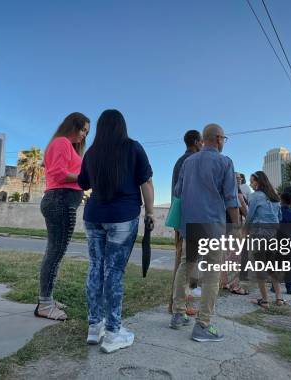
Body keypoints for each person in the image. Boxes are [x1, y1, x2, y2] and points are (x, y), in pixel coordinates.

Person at [78, 109, 154, 353]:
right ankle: (112, 332)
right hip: (123, 216)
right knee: (114, 272)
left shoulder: (92, 152)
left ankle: (94, 326)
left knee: (95, 268)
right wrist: (150, 212)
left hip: (94, 216)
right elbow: (146, 182)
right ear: (122, 126)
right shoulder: (133, 148)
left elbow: (83, 183)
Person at [170, 123, 240, 342]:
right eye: (224, 139)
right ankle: (203, 325)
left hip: (190, 225)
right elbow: (231, 198)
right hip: (212, 226)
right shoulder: (224, 162)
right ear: (218, 138)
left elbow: (177, 192)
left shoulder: (188, 162)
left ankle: (178, 314)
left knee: (186, 266)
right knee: (211, 275)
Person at [35, 112, 90, 321]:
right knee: (55, 253)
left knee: (55, 252)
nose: (84, 135)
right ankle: (45, 304)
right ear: (72, 126)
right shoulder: (61, 143)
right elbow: (58, 173)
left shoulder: (66, 145)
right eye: (83, 129)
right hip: (60, 201)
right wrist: (85, 178)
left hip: (62, 201)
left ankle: (47, 299)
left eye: (87, 132)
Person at [168, 130, 203, 314]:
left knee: (183, 260)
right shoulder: (191, 161)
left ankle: (175, 304)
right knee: (184, 261)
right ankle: (176, 305)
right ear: (197, 142)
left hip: (180, 215)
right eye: (202, 142)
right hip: (188, 217)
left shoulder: (181, 160)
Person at [245, 171, 282, 308]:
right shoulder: (275, 198)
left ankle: (265, 300)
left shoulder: (255, 196)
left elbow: (250, 216)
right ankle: (279, 298)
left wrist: (244, 230)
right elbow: (280, 218)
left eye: (252, 181)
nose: (250, 183)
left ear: (259, 182)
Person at [221, 171, 248, 295]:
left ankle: (224, 282)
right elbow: (244, 210)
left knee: (226, 257)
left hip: (224, 227)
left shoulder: (224, 191)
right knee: (235, 258)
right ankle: (234, 285)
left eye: (240, 178)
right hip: (233, 228)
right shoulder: (237, 193)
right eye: (236, 178)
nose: (239, 180)